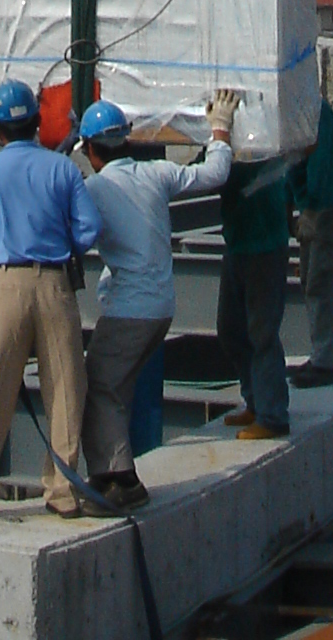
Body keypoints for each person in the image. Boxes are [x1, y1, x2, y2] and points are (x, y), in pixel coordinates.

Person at [0, 78, 102, 519]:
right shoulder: (63, 170)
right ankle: (63, 491)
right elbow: (89, 229)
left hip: (6, 284)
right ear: (36, 122)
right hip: (55, 285)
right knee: (67, 388)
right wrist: (63, 245)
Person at [76, 91, 236, 508]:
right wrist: (221, 127)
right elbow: (214, 173)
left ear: (90, 150)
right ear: (126, 141)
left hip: (129, 309)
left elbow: (75, 235)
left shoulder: (93, 190)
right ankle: (117, 473)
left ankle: (121, 480)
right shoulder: (157, 175)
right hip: (162, 308)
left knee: (98, 385)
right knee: (116, 385)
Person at [217, 141, 294, 440]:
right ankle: (256, 401)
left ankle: (273, 415)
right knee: (230, 329)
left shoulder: (261, 142)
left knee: (262, 333)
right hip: (238, 242)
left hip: (263, 246)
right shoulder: (232, 144)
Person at [287, 94, 333, 387]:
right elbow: (287, 162)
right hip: (311, 202)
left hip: (326, 203)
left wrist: (310, 209)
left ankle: (325, 362)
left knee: (320, 279)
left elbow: (319, 165)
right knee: (309, 280)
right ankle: (319, 354)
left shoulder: (315, 109)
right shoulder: (292, 107)